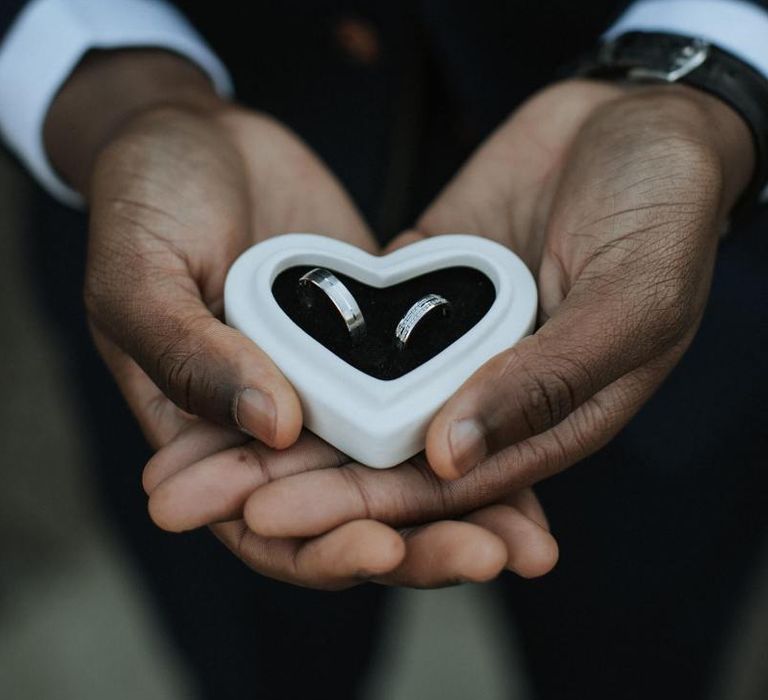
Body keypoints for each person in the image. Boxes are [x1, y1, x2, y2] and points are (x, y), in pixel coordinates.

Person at [2, 1, 767, 697]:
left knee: (636, 659)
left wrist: (710, 84)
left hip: (679, 283)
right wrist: (121, 92)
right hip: (191, 285)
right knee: (254, 662)